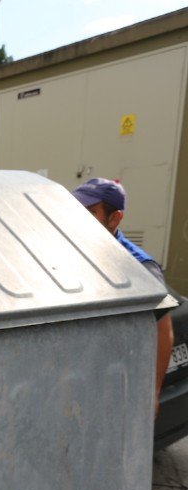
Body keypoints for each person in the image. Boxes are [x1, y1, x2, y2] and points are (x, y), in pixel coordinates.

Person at [72, 177, 174, 414]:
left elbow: (162, 329)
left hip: (115, 387)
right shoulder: (69, 251)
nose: (79, 217)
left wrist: (153, 392)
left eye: (91, 212)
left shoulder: (138, 266)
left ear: (115, 218)